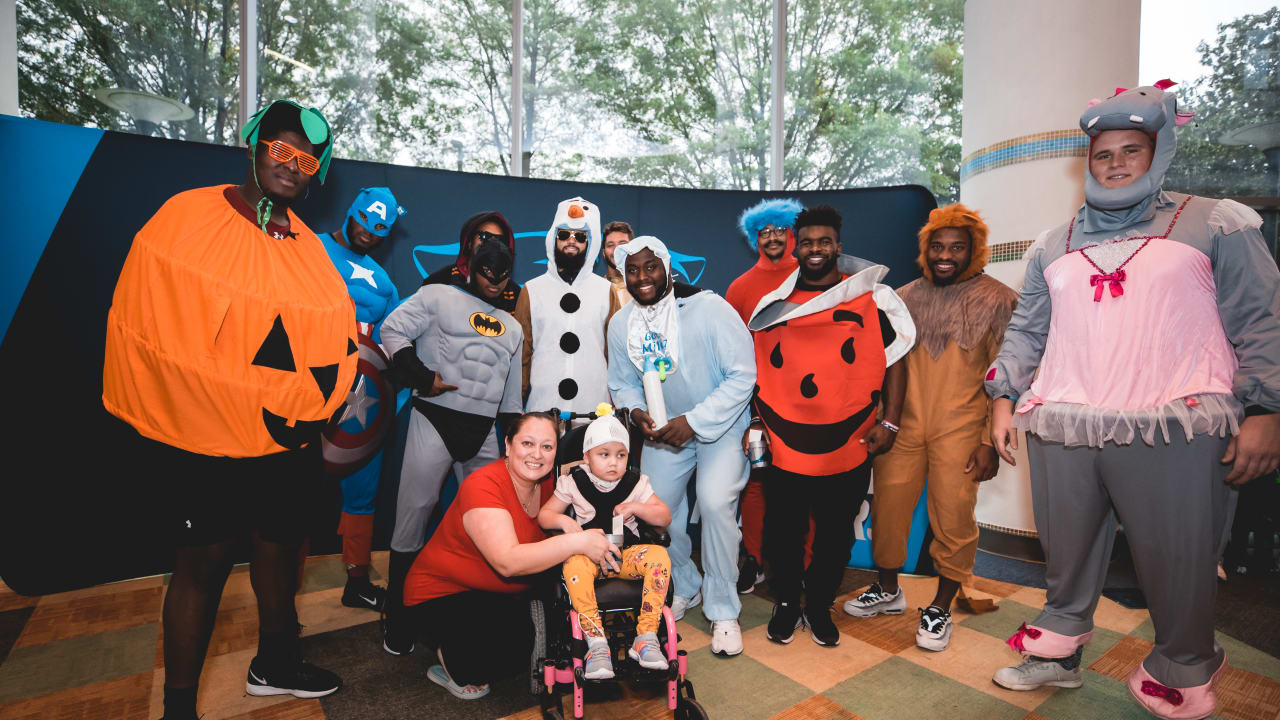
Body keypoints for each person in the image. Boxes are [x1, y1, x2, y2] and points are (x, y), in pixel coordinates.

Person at [985, 83, 1280, 719]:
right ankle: (1059, 651)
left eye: (1132, 150)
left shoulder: (1214, 221)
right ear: (1087, 161)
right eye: (1103, 153)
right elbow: (1028, 330)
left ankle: (1184, 664)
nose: (1115, 163)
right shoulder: (1052, 244)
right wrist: (1003, 396)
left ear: (1159, 151)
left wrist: (1265, 411)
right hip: (1065, 418)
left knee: (1177, 556)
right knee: (1064, 554)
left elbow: (1262, 321)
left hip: (1174, 419)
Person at [103, 100, 353, 719]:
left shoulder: (310, 249)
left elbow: (330, 340)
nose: (293, 166)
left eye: (307, 159)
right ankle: (180, 710)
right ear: (254, 146)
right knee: (204, 567)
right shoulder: (189, 216)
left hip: (284, 441)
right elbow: (147, 318)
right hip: (207, 440)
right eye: (282, 150)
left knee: (280, 547)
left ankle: (276, 661)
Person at [843, 203, 1016, 652]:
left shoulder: (999, 299)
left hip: (962, 430)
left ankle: (940, 605)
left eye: (957, 247)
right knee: (888, 512)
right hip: (902, 425)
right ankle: (888, 589)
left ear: (974, 251)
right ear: (925, 250)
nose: (945, 255)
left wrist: (988, 442)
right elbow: (879, 366)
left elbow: (1008, 373)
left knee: (954, 519)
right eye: (937, 246)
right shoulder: (900, 297)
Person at [745, 205, 915, 648]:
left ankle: (818, 604)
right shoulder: (772, 308)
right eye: (807, 242)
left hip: (851, 440)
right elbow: (754, 369)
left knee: (836, 533)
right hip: (785, 442)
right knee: (783, 530)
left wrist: (891, 422)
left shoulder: (871, 299)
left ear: (838, 246)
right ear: (795, 248)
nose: (815, 249)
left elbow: (895, 360)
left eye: (824, 241)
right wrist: (754, 425)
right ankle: (785, 602)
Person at [401, 413, 622, 699]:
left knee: (550, 621)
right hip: (442, 592)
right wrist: (578, 541)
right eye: (527, 443)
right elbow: (507, 562)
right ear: (508, 444)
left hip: (501, 590)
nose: (536, 455)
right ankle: (449, 659)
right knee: (496, 657)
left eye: (547, 447)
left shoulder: (547, 485)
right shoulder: (483, 485)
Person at [608, 236, 756, 657]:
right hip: (664, 433)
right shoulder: (623, 324)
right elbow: (621, 381)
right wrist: (636, 413)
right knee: (656, 512)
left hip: (718, 426)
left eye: (650, 267)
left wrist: (692, 422)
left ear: (667, 267)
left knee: (713, 505)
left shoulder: (710, 309)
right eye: (632, 270)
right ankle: (687, 584)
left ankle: (724, 610)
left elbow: (742, 376)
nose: (642, 278)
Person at [379, 238, 524, 655]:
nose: (493, 278)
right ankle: (399, 616)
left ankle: (474, 611)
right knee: (413, 515)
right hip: (435, 416)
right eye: (485, 269)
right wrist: (421, 377)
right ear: (470, 267)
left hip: (482, 431)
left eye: (502, 272)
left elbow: (511, 394)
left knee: (490, 524)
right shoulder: (438, 296)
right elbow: (391, 329)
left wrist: (512, 440)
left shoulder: (513, 326)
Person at [320, 186, 405, 611]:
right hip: (306, 393)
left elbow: (391, 343)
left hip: (362, 400)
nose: (369, 235)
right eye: (364, 224)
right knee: (292, 496)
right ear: (351, 211)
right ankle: (281, 593)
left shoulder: (385, 283)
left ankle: (357, 581)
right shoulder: (309, 250)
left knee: (362, 492)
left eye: (380, 231)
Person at [538, 414, 673, 679]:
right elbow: (545, 516)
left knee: (659, 555)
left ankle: (645, 637)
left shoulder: (636, 483)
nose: (613, 462)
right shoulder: (573, 482)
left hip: (626, 557)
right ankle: (596, 644)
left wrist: (637, 507)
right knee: (572, 563)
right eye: (604, 454)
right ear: (586, 457)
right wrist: (564, 521)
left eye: (621, 455)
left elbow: (665, 517)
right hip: (588, 559)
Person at [725, 197, 810, 594]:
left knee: (806, 482)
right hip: (758, 403)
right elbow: (728, 349)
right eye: (765, 232)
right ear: (754, 237)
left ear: (792, 233)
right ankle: (754, 560)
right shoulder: (740, 287)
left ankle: (805, 566)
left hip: (810, 402)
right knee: (756, 484)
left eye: (780, 230)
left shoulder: (815, 277)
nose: (773, 238)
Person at [515, 197, 621, 415]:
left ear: (590, 244)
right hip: (542, 410)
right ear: (553, 238)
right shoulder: (532, 290)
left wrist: (618, 405)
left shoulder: (606, 291)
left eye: (580, 236)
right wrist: (514, 408)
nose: (571, 241)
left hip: (594, 411)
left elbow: (617, 356)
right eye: (564, 235)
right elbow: (520, 357)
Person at [423, 211, 519, 312]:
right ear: (469, 242)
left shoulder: (514, 294)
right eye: (485, 237)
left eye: (500, 239)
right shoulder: (440, 282)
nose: (492, 243)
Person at [601, 220, 635, 306]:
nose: (617, 250)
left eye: (622, 244)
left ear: (634, 250)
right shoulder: (595, 289)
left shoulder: (647, 289)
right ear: (604, 253)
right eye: (610, 245)